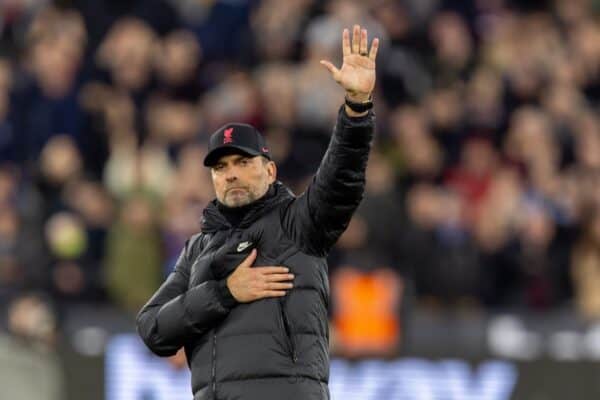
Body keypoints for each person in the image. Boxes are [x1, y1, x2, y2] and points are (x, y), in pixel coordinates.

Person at [136, 24, 379, 400]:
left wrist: (356, 109)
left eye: (242, 162)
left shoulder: (298, 225)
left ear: (270, 170)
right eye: (220, 167)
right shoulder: (196, 249)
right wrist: (224, 291)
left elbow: (341, 179)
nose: (231, 173)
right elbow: (153, 329)